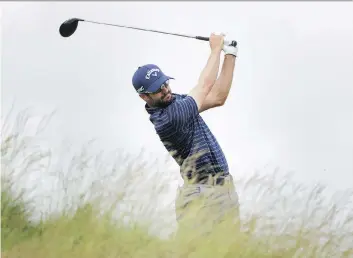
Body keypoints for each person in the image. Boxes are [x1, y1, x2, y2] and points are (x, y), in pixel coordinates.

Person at [131, 33, 240, 233]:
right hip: (201, 195)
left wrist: (230, 54)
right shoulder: (170, 117)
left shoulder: (176, 102)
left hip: (222, 189)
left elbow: (217, 97)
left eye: (165, 83)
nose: (165, 89)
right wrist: (216, 49)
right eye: (158, 89)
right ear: (144, 96)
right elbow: (205, 85)